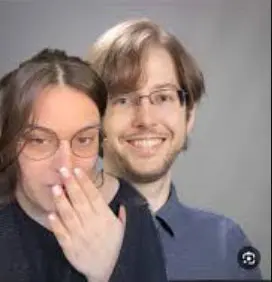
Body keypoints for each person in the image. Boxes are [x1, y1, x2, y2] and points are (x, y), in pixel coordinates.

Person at [89, 18, 262, 280]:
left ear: (189, 115)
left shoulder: (227, 246)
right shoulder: (38, 236)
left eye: (163, 97)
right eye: (122, 100)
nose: (146, 119)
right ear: (93, 120)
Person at [0, 49, 168, 282]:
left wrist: (109, 271)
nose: (65, 166)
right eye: (39, 140)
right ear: (9, 141)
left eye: (84, 139)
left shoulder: (133, 211)